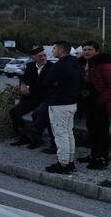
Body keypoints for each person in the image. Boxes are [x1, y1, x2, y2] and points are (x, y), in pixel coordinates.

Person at [42, 41, 81, 174]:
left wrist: (53, 88)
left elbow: (47, 82)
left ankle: (63, 164)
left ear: (61, 49)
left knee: (60, 134)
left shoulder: (60, 65)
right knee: (68, 133)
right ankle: (69, 162)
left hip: (59, 103)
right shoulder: (74, 63)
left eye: (54, 48)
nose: (52, 51)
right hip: (71, 102)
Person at [10, 47, 53, 148]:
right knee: (14, 112)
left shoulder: (52, 67)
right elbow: (24, 78)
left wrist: (29, 88)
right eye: (40, 56)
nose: (43, 58)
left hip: (45, 98)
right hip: (31, 97)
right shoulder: (30, 66)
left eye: (44, 55)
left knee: (37, 115)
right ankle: (23, 137)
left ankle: (36, 140)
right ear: (34, 57)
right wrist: (23, 85)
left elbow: (45, 85)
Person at [77, 41, 110, 170]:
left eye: (89, 49)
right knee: (92, 129)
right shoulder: (90, 62)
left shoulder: (104, 63)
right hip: (91, 103)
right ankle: (94, 155)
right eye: (84, 49)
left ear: (97, 51)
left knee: (101, 132)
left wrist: (100, 100)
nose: (86, 52)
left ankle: (102, 159)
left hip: (101, 103)